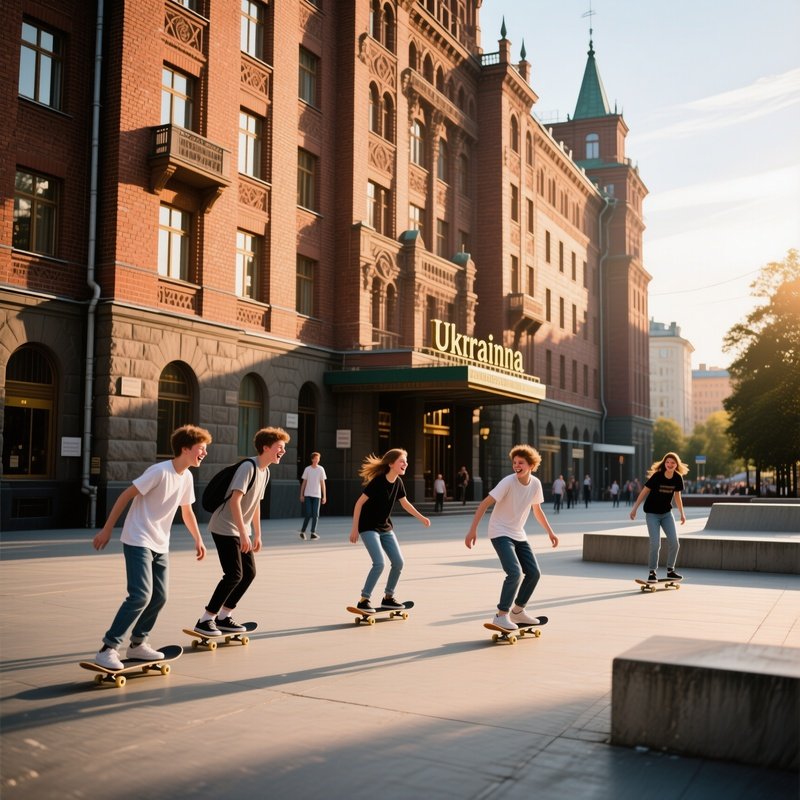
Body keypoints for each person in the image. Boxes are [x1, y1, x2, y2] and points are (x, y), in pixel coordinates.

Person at [91, 424, 211, 670]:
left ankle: (137, 644)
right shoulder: (159, 471)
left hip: (160, 543)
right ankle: (108, 648)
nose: (204, 453)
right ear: (185, 449)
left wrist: (198, 539)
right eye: (201, 449)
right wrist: (106, 529)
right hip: (138, 539)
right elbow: (125, 495)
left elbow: (186, 510)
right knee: (140, 595)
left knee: (160, 596)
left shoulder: (186, 476)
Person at [194, 427, 289, 637]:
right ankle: (206, 619)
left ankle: (224, 616)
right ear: (266, 447)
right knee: (234, 574)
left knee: (249, 574)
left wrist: (257, 534)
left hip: (240, 530)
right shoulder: (248, 467)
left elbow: (255, 504)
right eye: (280, 447)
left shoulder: (265, 471)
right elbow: (236, 500)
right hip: (225, 527)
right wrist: (243, 533)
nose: (283, 451)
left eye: (284, 448)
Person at [465, 444, 559, 632]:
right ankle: (501, 616)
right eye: (514, 462)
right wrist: (472, 530)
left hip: (518, 533)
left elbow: (537, 510)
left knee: (534, 573)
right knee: (514, 572)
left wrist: (550, 532)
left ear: (531, 465)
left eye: (521, 463)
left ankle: (518, 611)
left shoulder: (535, 484)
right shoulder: (508, 482)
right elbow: (484, 504)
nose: (516, 465)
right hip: (499, 532)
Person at [349, 448, 431, 613]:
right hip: (368, 526)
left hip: (385, 527)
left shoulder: (398, 483)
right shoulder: (378, 481)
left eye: (406, 461)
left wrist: (421, 518)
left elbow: (405, 503)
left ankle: (388, 598)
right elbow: (359, 504)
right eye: (402, 461)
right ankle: (364, 600)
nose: (405, 464)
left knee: (399, 562)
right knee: (379, 563)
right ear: (391, 463)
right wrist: (355, 529)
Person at [629, 452, 688, 584]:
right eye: (667, 462)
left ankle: (670, 570)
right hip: (652, 514)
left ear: (676, 464)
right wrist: (634, 509)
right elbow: (644, 492)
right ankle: (652, 572)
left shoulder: (678, 478)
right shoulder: (657, 476)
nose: (670, 464)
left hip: (667, 514)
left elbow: (677, 496)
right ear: (664, 463)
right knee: (655, 543)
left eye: (673, 462)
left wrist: (682, 513)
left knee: (675, 542)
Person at [299, 451, 327, 540]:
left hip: (317, 495)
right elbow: (304, 482)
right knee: (308, 513)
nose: (316, 460)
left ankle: (313, 532)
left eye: (318, 459)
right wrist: (301, 494)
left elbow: (323, 483)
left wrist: (324, 496)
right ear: (312, 459)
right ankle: (302, 531)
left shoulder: (321, 469)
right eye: (315, 459)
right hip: (307, 495)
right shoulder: (307, 469)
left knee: (316, 514)